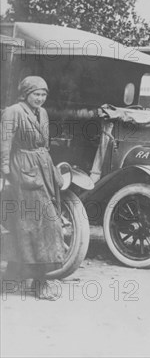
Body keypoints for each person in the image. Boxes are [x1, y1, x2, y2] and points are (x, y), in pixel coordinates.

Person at [0, 76, 65, 299]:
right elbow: (4, 143)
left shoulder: (43, 113)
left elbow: (44, 145)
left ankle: (17, 278)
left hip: (42, 169)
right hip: (23, 172)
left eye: (43, 94)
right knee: (33, 225)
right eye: (36, 94)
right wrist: (5, 173)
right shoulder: (13, 111)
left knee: (40, 225)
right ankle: (36, 282)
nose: (40, 98)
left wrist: (52, 168)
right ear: (25, 93)